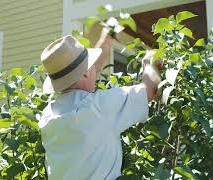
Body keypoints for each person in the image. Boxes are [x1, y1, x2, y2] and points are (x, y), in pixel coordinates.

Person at [38, 28, 161, 180]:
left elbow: (86, 74)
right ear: (85, 73)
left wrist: (106, 39)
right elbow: (150, 90)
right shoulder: (100, 107)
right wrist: (148, 62)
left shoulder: (48, 115)